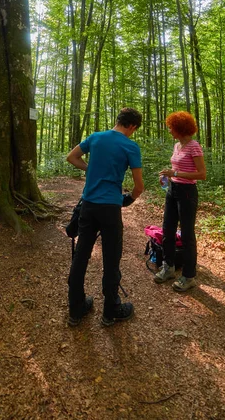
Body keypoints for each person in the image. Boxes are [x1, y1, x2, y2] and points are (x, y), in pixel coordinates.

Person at [66, 107, 144, 327]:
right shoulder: (130, 146)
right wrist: (128, 199)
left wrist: (90, 170)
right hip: (110, 208)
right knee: (111, 260)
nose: (132, 133)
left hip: (88, 206)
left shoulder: (96, 137)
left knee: (81, 256)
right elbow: (139, 186)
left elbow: (71, 157)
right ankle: (110, 311)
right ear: (132, 126)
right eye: (134, 130)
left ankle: (76, 308)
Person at [154, 111, 206, 291]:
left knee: (186, 235)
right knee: (167, 229)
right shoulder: (177, 146)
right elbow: (176, 169)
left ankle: (189, 276)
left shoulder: (194, 146)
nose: (169, 130)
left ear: (180, 128)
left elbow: (202, 174)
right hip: (172, 189)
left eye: (171, 127)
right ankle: (168, 267)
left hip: (187, 193)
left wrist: (175, 173)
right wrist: (167, 176)